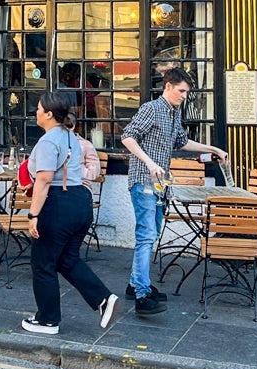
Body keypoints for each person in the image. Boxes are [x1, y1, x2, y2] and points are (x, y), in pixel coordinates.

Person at [120, 67, 230, 316]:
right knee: (147, 235)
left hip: (160, 185)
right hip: (143, 181)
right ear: (168, 87)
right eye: (181, 91)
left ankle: (135, 283)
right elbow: (127, 137)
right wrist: (149, 162)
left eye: (186, 92)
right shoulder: (151, 109)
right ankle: (141, 294)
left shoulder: (173, 112)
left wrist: (213, 148)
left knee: (151, 233)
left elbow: (182, 142)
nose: (184, 96)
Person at [20, 91, 120, 335]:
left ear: (49, 114)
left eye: (39, 109)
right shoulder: (71, 137)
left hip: (58, 205)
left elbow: (44, 180)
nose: (36, 112)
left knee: (43, 263)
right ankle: (103, 299)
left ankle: (47, 321)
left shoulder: (47, 141)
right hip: (80, 202)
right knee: (67, 259)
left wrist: (33, 216)